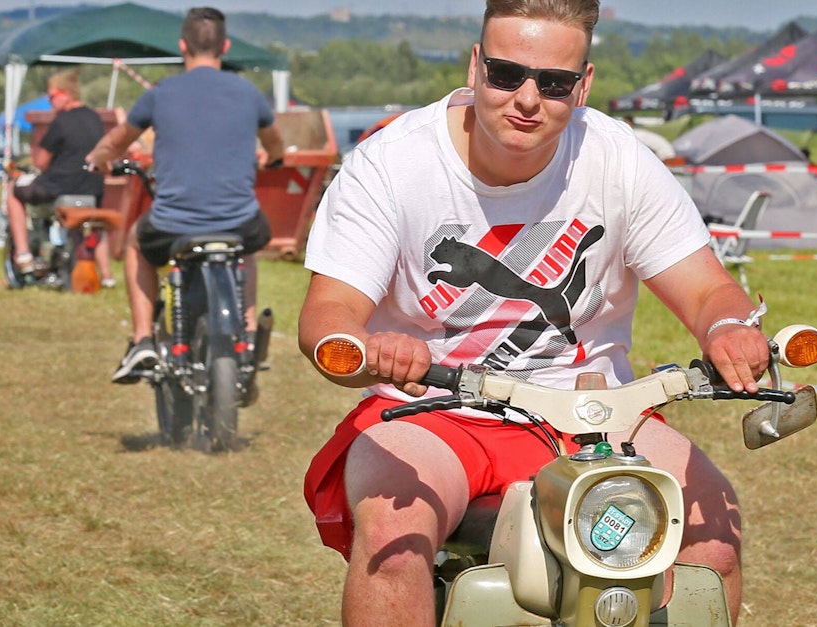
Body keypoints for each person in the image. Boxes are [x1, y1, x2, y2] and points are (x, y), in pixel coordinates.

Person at [295, 1, 766, 624]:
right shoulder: (393, 162)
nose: (525, 98)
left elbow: (709, 291)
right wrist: (370, 347)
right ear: (474, 66)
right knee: (392, 536)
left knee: (713, 539)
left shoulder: (615, 156)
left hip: (590, 414)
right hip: (431, 411)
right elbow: (327, 313)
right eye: (504, 74)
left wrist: (730, 328)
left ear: (584, 84)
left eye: (553, 83)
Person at [82, 7, 286, 383]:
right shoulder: (247, 93)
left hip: (173, 223)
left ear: (182, 46)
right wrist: (271, 158)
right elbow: (276, 144)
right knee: (248, 246)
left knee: (134, 244)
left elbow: (116, 141)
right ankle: (249, 327)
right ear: (225, 46)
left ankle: (143, 339)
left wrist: (97, 160)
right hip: (238, 222)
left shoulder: (159, 94)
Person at [4, 70, 106, 273]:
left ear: (66, 94)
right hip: (93, 188)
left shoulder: (61, 122)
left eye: (52, 96)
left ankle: (23, 255)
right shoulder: (95, 118)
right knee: (95, 227)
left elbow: (41, 162)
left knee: (13, 192)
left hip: (60, 187)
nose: (50, 102)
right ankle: (106, 275)